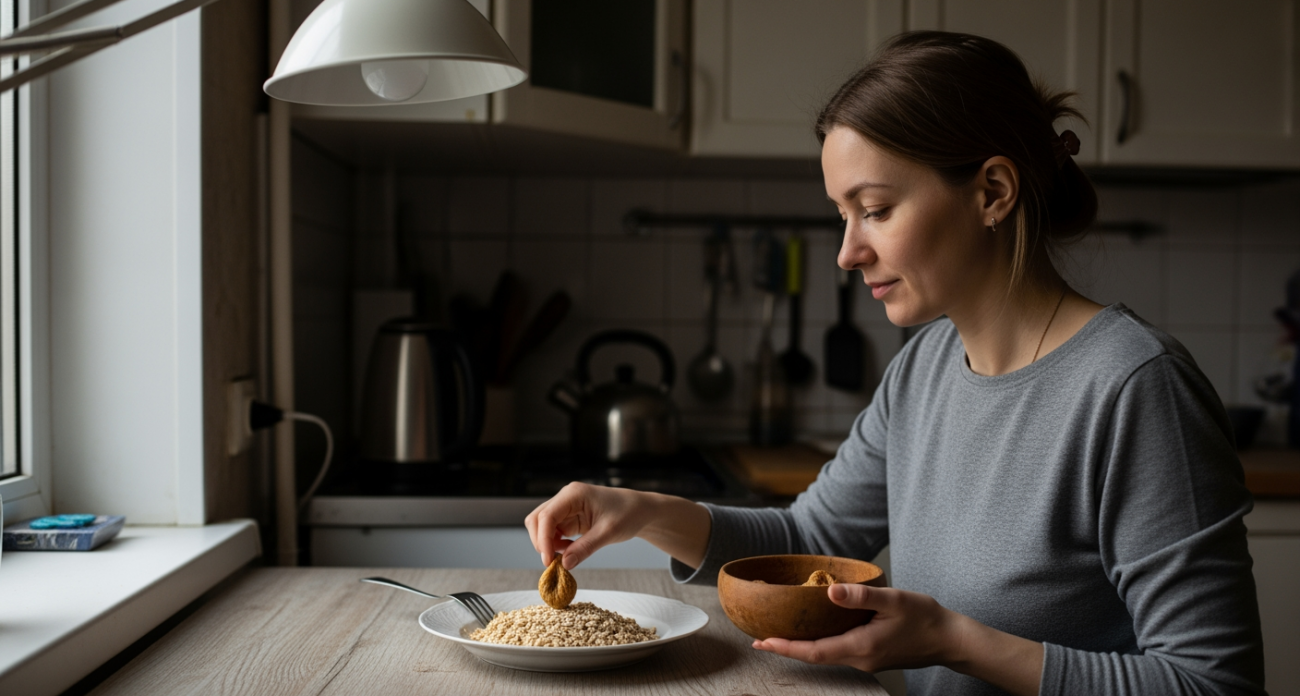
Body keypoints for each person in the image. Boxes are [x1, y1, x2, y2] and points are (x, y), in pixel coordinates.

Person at [525, 31, 1265, 696]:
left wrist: (955, 643)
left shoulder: (1135, 389)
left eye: (874, 209)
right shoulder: (925, 370)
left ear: (993, 192)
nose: (848, 253)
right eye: (841, 216)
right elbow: (804, 544)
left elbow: (1213, 682)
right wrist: (640, 510)